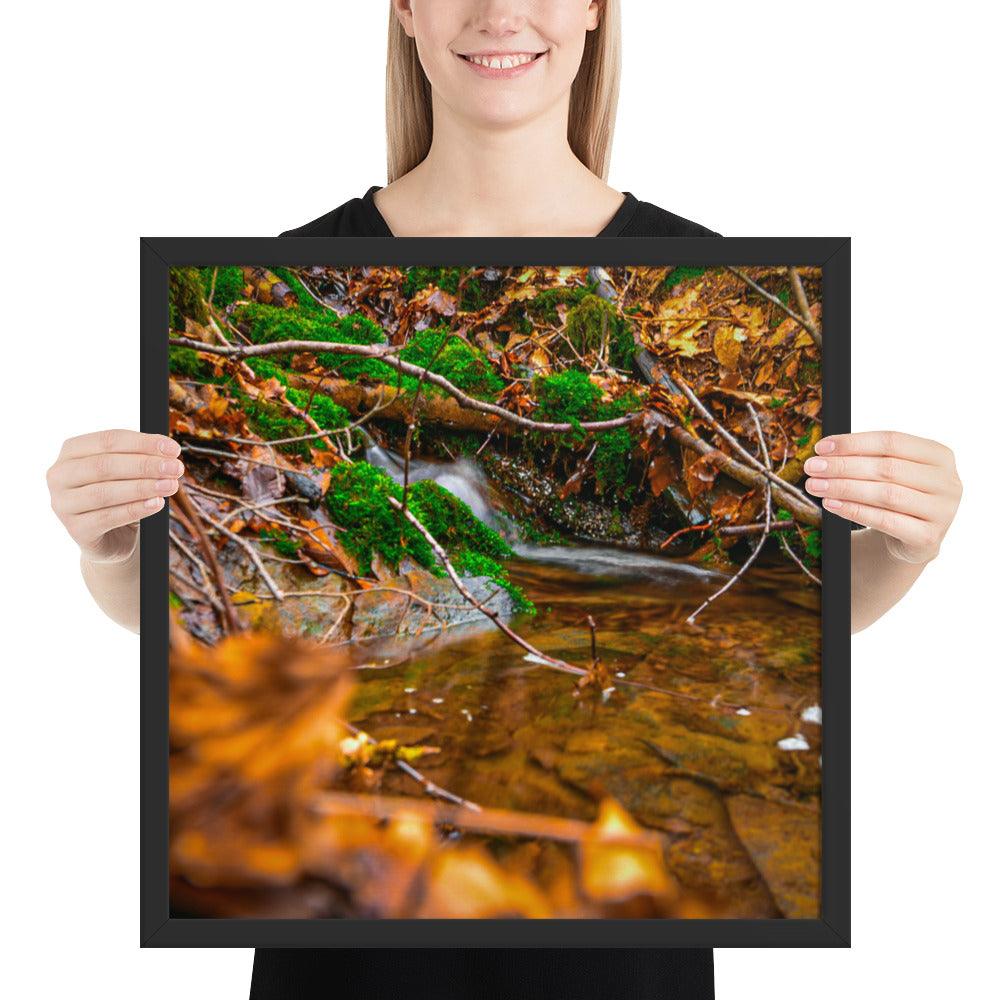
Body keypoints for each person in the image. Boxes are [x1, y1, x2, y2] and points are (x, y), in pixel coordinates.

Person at [44, 2, 963, 998]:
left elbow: (816, 605)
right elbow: (172, 613)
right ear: (402, 10)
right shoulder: (260, 267)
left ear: (595, 10)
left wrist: (904, 545)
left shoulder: (711, 270)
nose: (498, 11)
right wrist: (109, 548)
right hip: (346, 960)